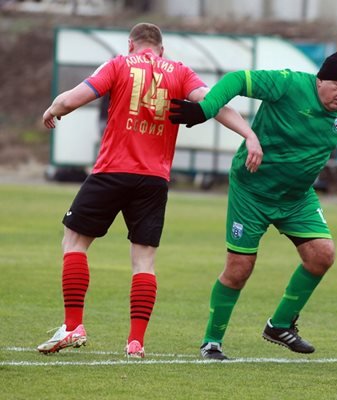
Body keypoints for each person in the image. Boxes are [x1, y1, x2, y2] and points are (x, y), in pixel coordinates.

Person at [37, 23, 263, 358]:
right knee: (144, 260)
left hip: (112, 170)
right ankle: (135, 343)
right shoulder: (181, 72)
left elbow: (74, 98)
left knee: (74, 241)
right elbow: (216, 104)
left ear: (131, 44)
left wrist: (54, 109)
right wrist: (249, 134)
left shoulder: (119, 63)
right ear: (162, 47)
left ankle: (72, 327)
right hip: (154, 179)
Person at [169, 52, 337, 360]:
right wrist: (206, 109)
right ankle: (212, 342)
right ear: (320, 80)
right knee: (239, 269)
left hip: (296, 197)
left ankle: (280, 324)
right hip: (252, 192)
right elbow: (237, 80)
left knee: (322, 256)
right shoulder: (287, 83)